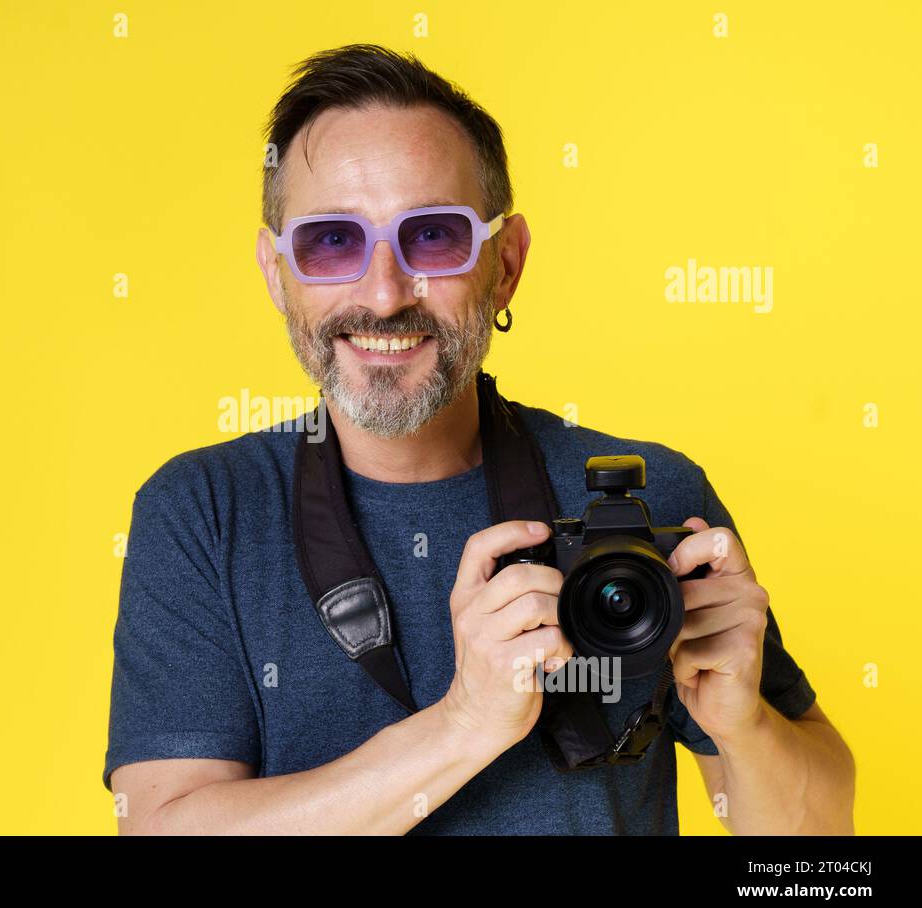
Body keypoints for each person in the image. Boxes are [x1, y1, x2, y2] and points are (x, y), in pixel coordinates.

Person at [102, 44, 854, 835]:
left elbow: (815, 853)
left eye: (432, 237)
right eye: (331, 242)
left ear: (506, 263)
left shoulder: (653, 499)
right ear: (275, 271)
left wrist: (744, 725)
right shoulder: (204, 511)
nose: (385, 293)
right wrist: (465, 723)